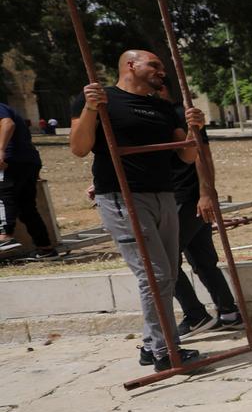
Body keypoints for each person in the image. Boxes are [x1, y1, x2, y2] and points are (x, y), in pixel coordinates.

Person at [69, 49, 210, 370]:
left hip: (164, 194)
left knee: (168, 273)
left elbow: (186, 156)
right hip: (122, 196)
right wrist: (91, 107)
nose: (162, 71)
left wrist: (193, 130)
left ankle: (151, 346)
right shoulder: (99, 100)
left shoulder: (162, 106)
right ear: (131, 66)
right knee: (155, 274)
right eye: (155, 65)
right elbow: (78, 148)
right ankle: (164, 352)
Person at [156, 81, 242, 336]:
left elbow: (203, 154)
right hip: (174, 197)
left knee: (163, 259)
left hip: (186, 197)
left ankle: (195, 315)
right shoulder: (150, 116)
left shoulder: (180, 115)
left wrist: (206, 194)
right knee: (202, 259)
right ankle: (228, 312)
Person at [0, 100, 57, 259]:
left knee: (4, 197)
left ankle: (4, 237)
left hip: (10, 162)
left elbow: (7, 123)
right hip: (28, 161)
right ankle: (45, 248)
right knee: (26, 208)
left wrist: (1, 151)